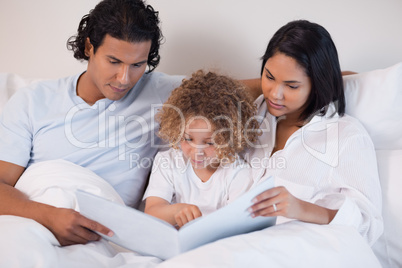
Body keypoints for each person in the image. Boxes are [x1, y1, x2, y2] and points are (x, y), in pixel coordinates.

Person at [0, 0, 185, 248]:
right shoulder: (33, 100)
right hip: (33, 218)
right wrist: (48, 216)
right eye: (114, 61)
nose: (124, 78)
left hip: (101, 234)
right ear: (89, 47)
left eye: (137, 65)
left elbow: (238, 89)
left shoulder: (163, 93)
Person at [245, 20, 382, 244]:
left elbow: (369, 226)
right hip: (230, 246)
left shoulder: (346, 136)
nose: (275, 94)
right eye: (269, 77)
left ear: (318, 84)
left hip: (294, 252)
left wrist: (303, 209)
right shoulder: (251, 115)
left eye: (291, 86)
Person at [143, 70, 261, 228]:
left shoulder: (238, 173)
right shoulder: (167, 161)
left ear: (230, 139)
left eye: (210, 143)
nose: (197, 151)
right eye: (188, 139)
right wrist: (177, 211)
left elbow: (235, 224)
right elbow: (152, 212)